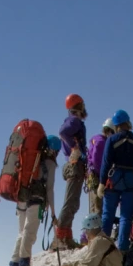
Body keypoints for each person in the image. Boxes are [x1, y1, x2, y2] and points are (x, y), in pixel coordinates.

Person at [8, 135, 60, 266]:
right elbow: (49, 189)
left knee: (21, 232)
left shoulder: (31, 159)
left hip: (22, 197)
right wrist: (53, 213)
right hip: (36, 199)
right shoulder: (50, 163)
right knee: (29, 233)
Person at [97, 110, 133, 252]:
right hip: (131, 178)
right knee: (126, 216)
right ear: (128, 123)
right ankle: (123, 250)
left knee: (108, 214)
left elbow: (106, 163)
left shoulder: (112, 140)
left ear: (116, 125)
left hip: (114, 178)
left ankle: (102, 248)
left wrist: (102, 183)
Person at [53, 93, 88, 251]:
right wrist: (74, 148)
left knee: (73, 202)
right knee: (70, 202)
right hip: (75, 165)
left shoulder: (73, 120)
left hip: (74, 164)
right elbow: (63, 132)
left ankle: (65, 236)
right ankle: (60, 238)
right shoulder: (74, 120)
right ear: (78, 106)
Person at [86, 118, 115, 214]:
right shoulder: (102, 142)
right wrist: (103, 175)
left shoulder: (95, 139)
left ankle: (92, 229)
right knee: (98, 208)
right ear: (110, 131)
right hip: (97, 177)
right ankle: (97, 229)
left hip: (92, 176)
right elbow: (96, 160)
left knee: (94, 208)